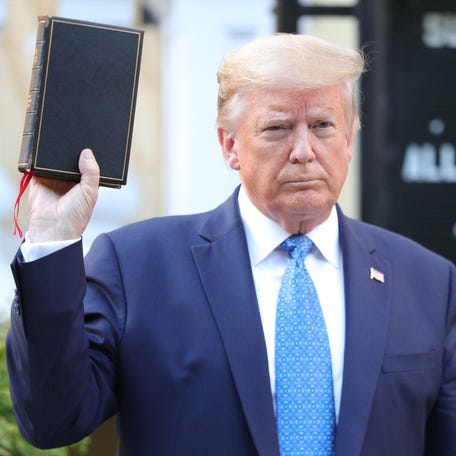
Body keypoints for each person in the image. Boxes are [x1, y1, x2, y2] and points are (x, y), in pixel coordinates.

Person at [6, 33, 456, 456]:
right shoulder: (138, 266)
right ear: (230, 146)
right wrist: (51, 238)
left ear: (350, 138)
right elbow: (53, 420)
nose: (303, 150)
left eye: (322, 125)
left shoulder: (429, 283)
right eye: (277, 128)